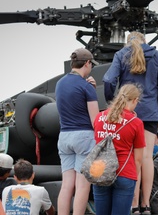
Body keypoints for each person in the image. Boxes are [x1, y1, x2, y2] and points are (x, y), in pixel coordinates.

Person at [103, 31, 158, 214]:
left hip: (127, 111)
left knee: (133, 157)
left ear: (128, 42)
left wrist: (113, 102)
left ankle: (133, 206)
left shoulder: (121, 55)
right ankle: (146, 204)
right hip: (150, 113)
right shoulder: (156, 55)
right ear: (145, 41)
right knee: (147, 157)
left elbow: (108, 79)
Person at [55, 48, 99, 215]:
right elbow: (95, 121)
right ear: (87, 63)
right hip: (83, 137)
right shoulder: (86, 87)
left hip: (64, 136)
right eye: (91, 65)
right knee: (82, 186)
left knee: (67, 185)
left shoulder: (60, 83)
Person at [92, 83, 146, 215]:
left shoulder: (99, 117)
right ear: (135, 100)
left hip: (100, 172)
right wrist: (134, 179)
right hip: (124, 173)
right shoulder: (136, 122)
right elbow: (138, 159)